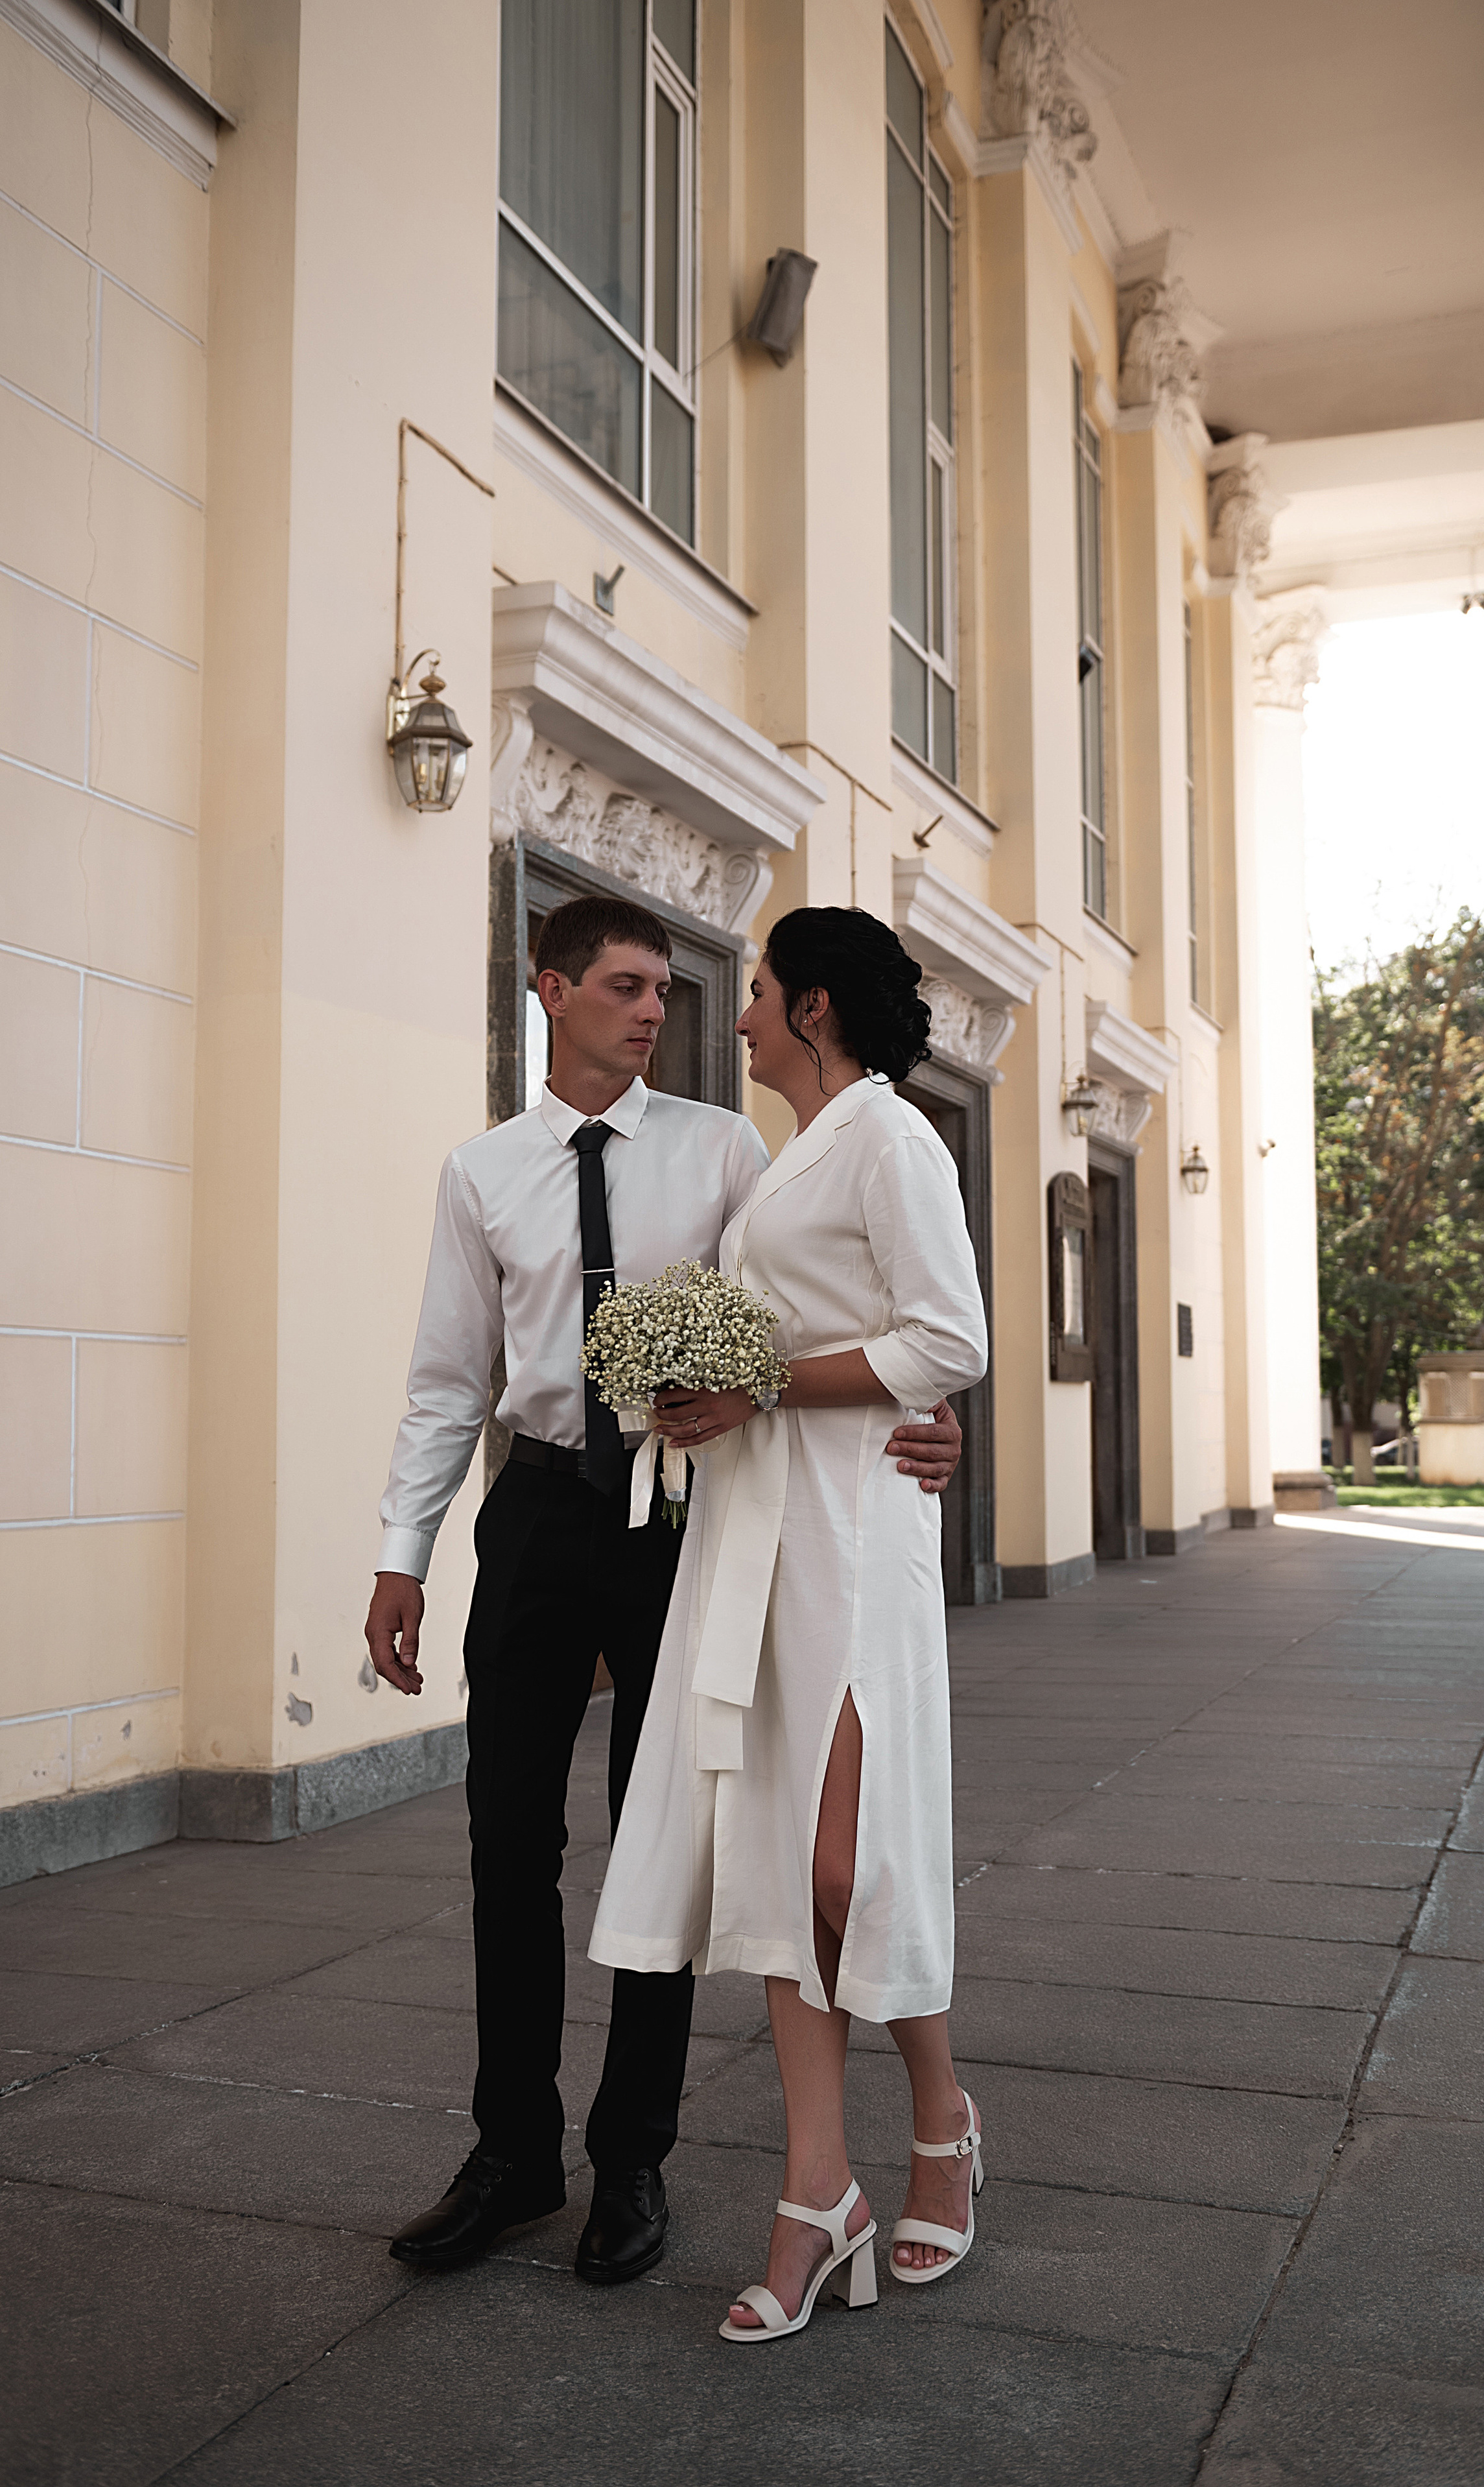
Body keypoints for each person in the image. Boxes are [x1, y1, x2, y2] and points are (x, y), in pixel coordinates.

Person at [364, 895, 963, 2289]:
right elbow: (449, 1378)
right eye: (625, 987)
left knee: (668, 1838)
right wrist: (404, 1551)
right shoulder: (480, 1172)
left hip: (678, 1515)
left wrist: (933, 1420)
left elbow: (848, 1307)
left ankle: (632, 2162)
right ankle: (510, 2151)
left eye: (665, 991)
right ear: (549, 988)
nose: (654, 1010)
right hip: (532, 1513)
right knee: (508, 1842)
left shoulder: (728, 1147)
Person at [589, 906, 989, 2340]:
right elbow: (806, 1332)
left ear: (812, 1007)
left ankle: (940, 2119)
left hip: (855, 1522)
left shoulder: (890, 1137)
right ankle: (818, 2190)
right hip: (751, 1525)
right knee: (777, 1861)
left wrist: (762, 1386)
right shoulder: (788, 1159)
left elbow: (949, 1338)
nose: (739, 1015)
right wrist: (694, 1385)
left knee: (842, 1867)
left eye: (756, 994)